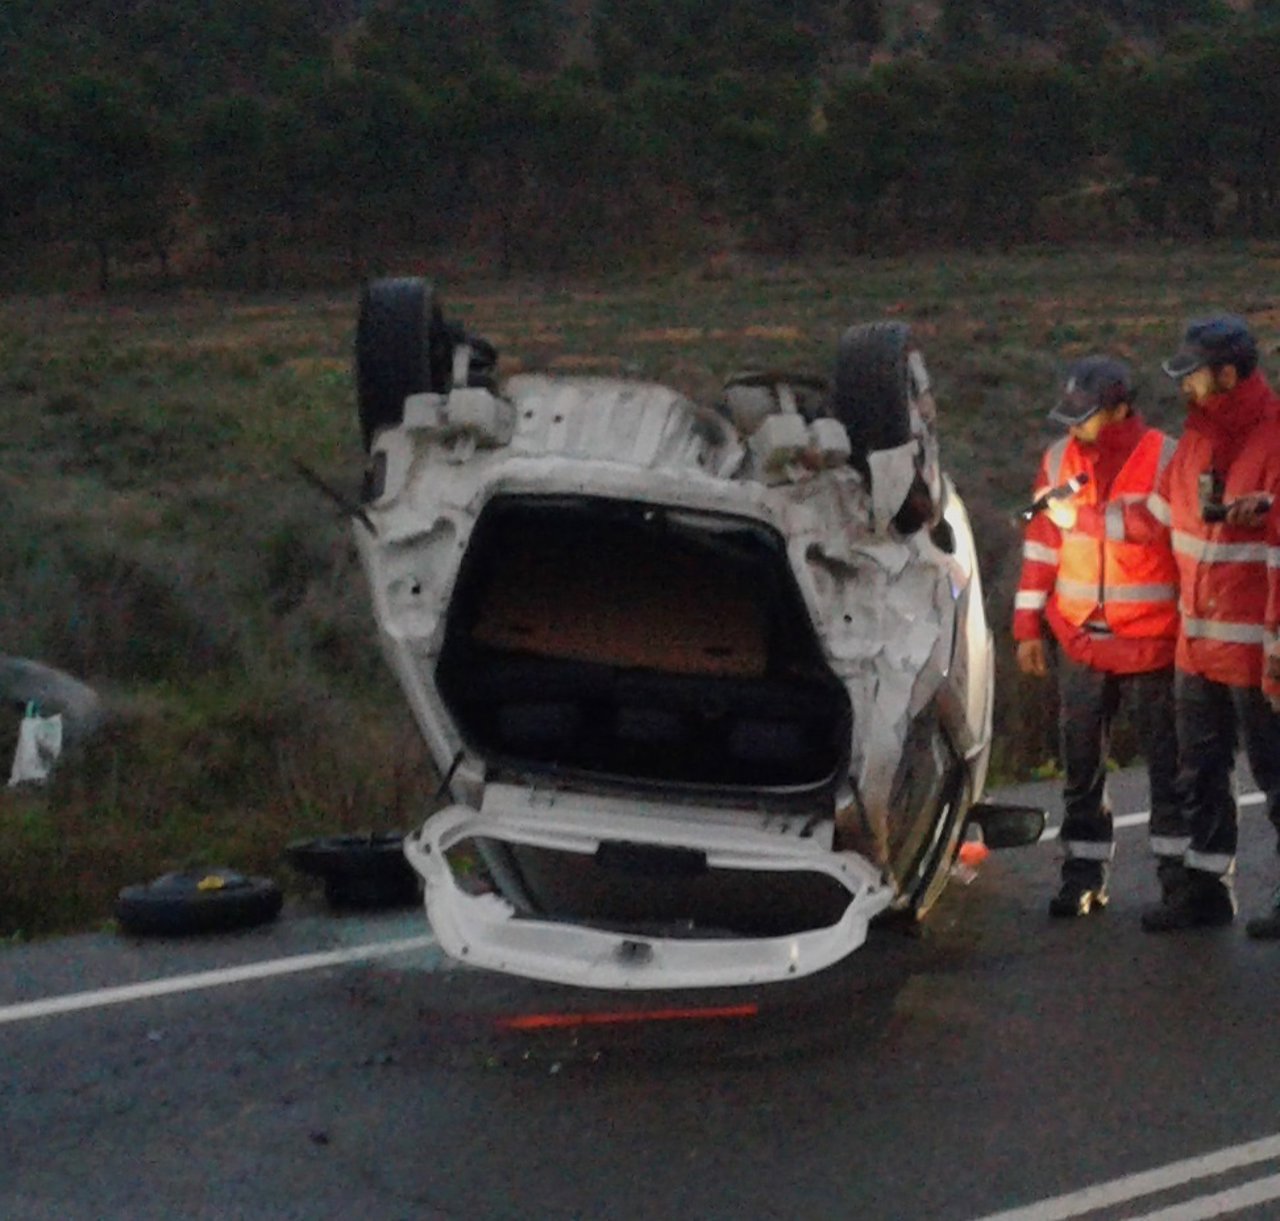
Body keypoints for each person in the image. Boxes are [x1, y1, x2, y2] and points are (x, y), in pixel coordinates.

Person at [1014, 356, 1182, 918]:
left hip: (1151, 640)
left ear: (1119, 409)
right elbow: (1041, 549)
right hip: (1080, 639)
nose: (1073, 426)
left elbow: (1156, 526)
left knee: (1168, 766)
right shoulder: (1057, 458)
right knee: (1080, 765)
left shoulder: (1164, 456)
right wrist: (1027, 625)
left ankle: (1179, 881)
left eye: (1084, 415)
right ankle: (1082, 876)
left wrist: (1079, 521)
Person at [1130, 314, 1280, 934]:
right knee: (1201, 775)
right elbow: (1161, 525)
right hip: (1196, 650)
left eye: (1192, 374)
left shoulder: (1274, 438)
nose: (1184, 385)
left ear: (1227, 374)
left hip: (1256, 653)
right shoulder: (1193, 440)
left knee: (1276, 777)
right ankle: (1205, 893)